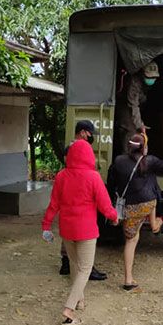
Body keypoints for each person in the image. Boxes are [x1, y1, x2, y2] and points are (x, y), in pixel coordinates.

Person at [41, 140, 118, 325]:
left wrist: (46, 225)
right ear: (89, 156)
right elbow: (104, 203)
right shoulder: (93, 177)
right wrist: (114, 217)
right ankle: (69, 309)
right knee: (85, 268)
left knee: (75, 265)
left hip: (67, 229)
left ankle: (80, 301)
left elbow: (53, 204)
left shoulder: (61, 176)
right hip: (86, 230)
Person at [108, 134, 163, 291]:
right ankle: (154, 223)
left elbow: (112, 183)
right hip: (148, 205)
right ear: (144, 147)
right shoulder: (150, 161)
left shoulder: (119, 161)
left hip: (129, 207)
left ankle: (128, 279)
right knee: (151, 186)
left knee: (131, 240)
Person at [58, 120, 107, 281]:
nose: (91, 137)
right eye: (90, 133)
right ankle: (84, 268)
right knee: (80, 234)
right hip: (77, 191)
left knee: (70, 229)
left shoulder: (72, 147)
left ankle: (67, 263)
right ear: (83, 132)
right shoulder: (74, 148)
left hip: (72, 191)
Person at [116, 61, 160, 155]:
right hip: (127, 108)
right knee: (131, 131)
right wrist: (139, 125)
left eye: (154, 77)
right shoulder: (134, 83)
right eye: (149, 77)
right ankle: (127, 159)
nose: (151, 79)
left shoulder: (147, 85)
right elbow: (133, 105)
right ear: (142, 74)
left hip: (139, 108)